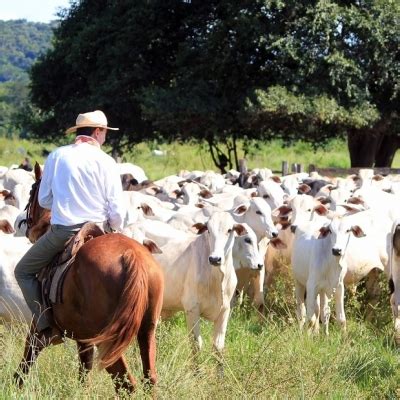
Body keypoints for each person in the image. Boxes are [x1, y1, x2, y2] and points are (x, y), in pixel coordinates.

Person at [14, 110, 126, 342]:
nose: (106, 137)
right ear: (97, 131)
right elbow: (117, 210)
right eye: (105, 132)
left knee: (23, 271)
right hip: (101, 231)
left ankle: (47, 326)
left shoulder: (57, 156)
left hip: (65, 232)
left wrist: (66, 199)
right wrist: (114, 229)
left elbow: (44, 200)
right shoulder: (107, 161)